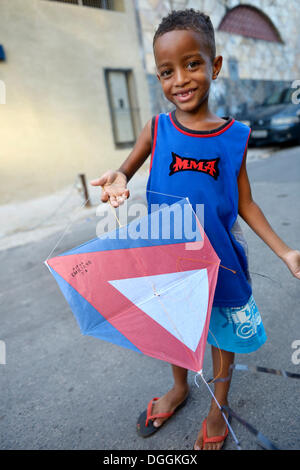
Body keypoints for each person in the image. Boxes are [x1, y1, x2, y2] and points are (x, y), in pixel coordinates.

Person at [91, 9, 300, 450]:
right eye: (167, 71)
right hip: (168, 259)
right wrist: (118, 180)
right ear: (159, 75)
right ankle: (180, 388)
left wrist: (286, 252)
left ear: (215, 66)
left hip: (220, 260)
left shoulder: (235, 136)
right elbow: (124, 172)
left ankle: (217, 405)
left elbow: (245, 201)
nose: (180, 79)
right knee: (176, 330)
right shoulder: (157, 129)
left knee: (223, 334)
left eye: (192, 64)